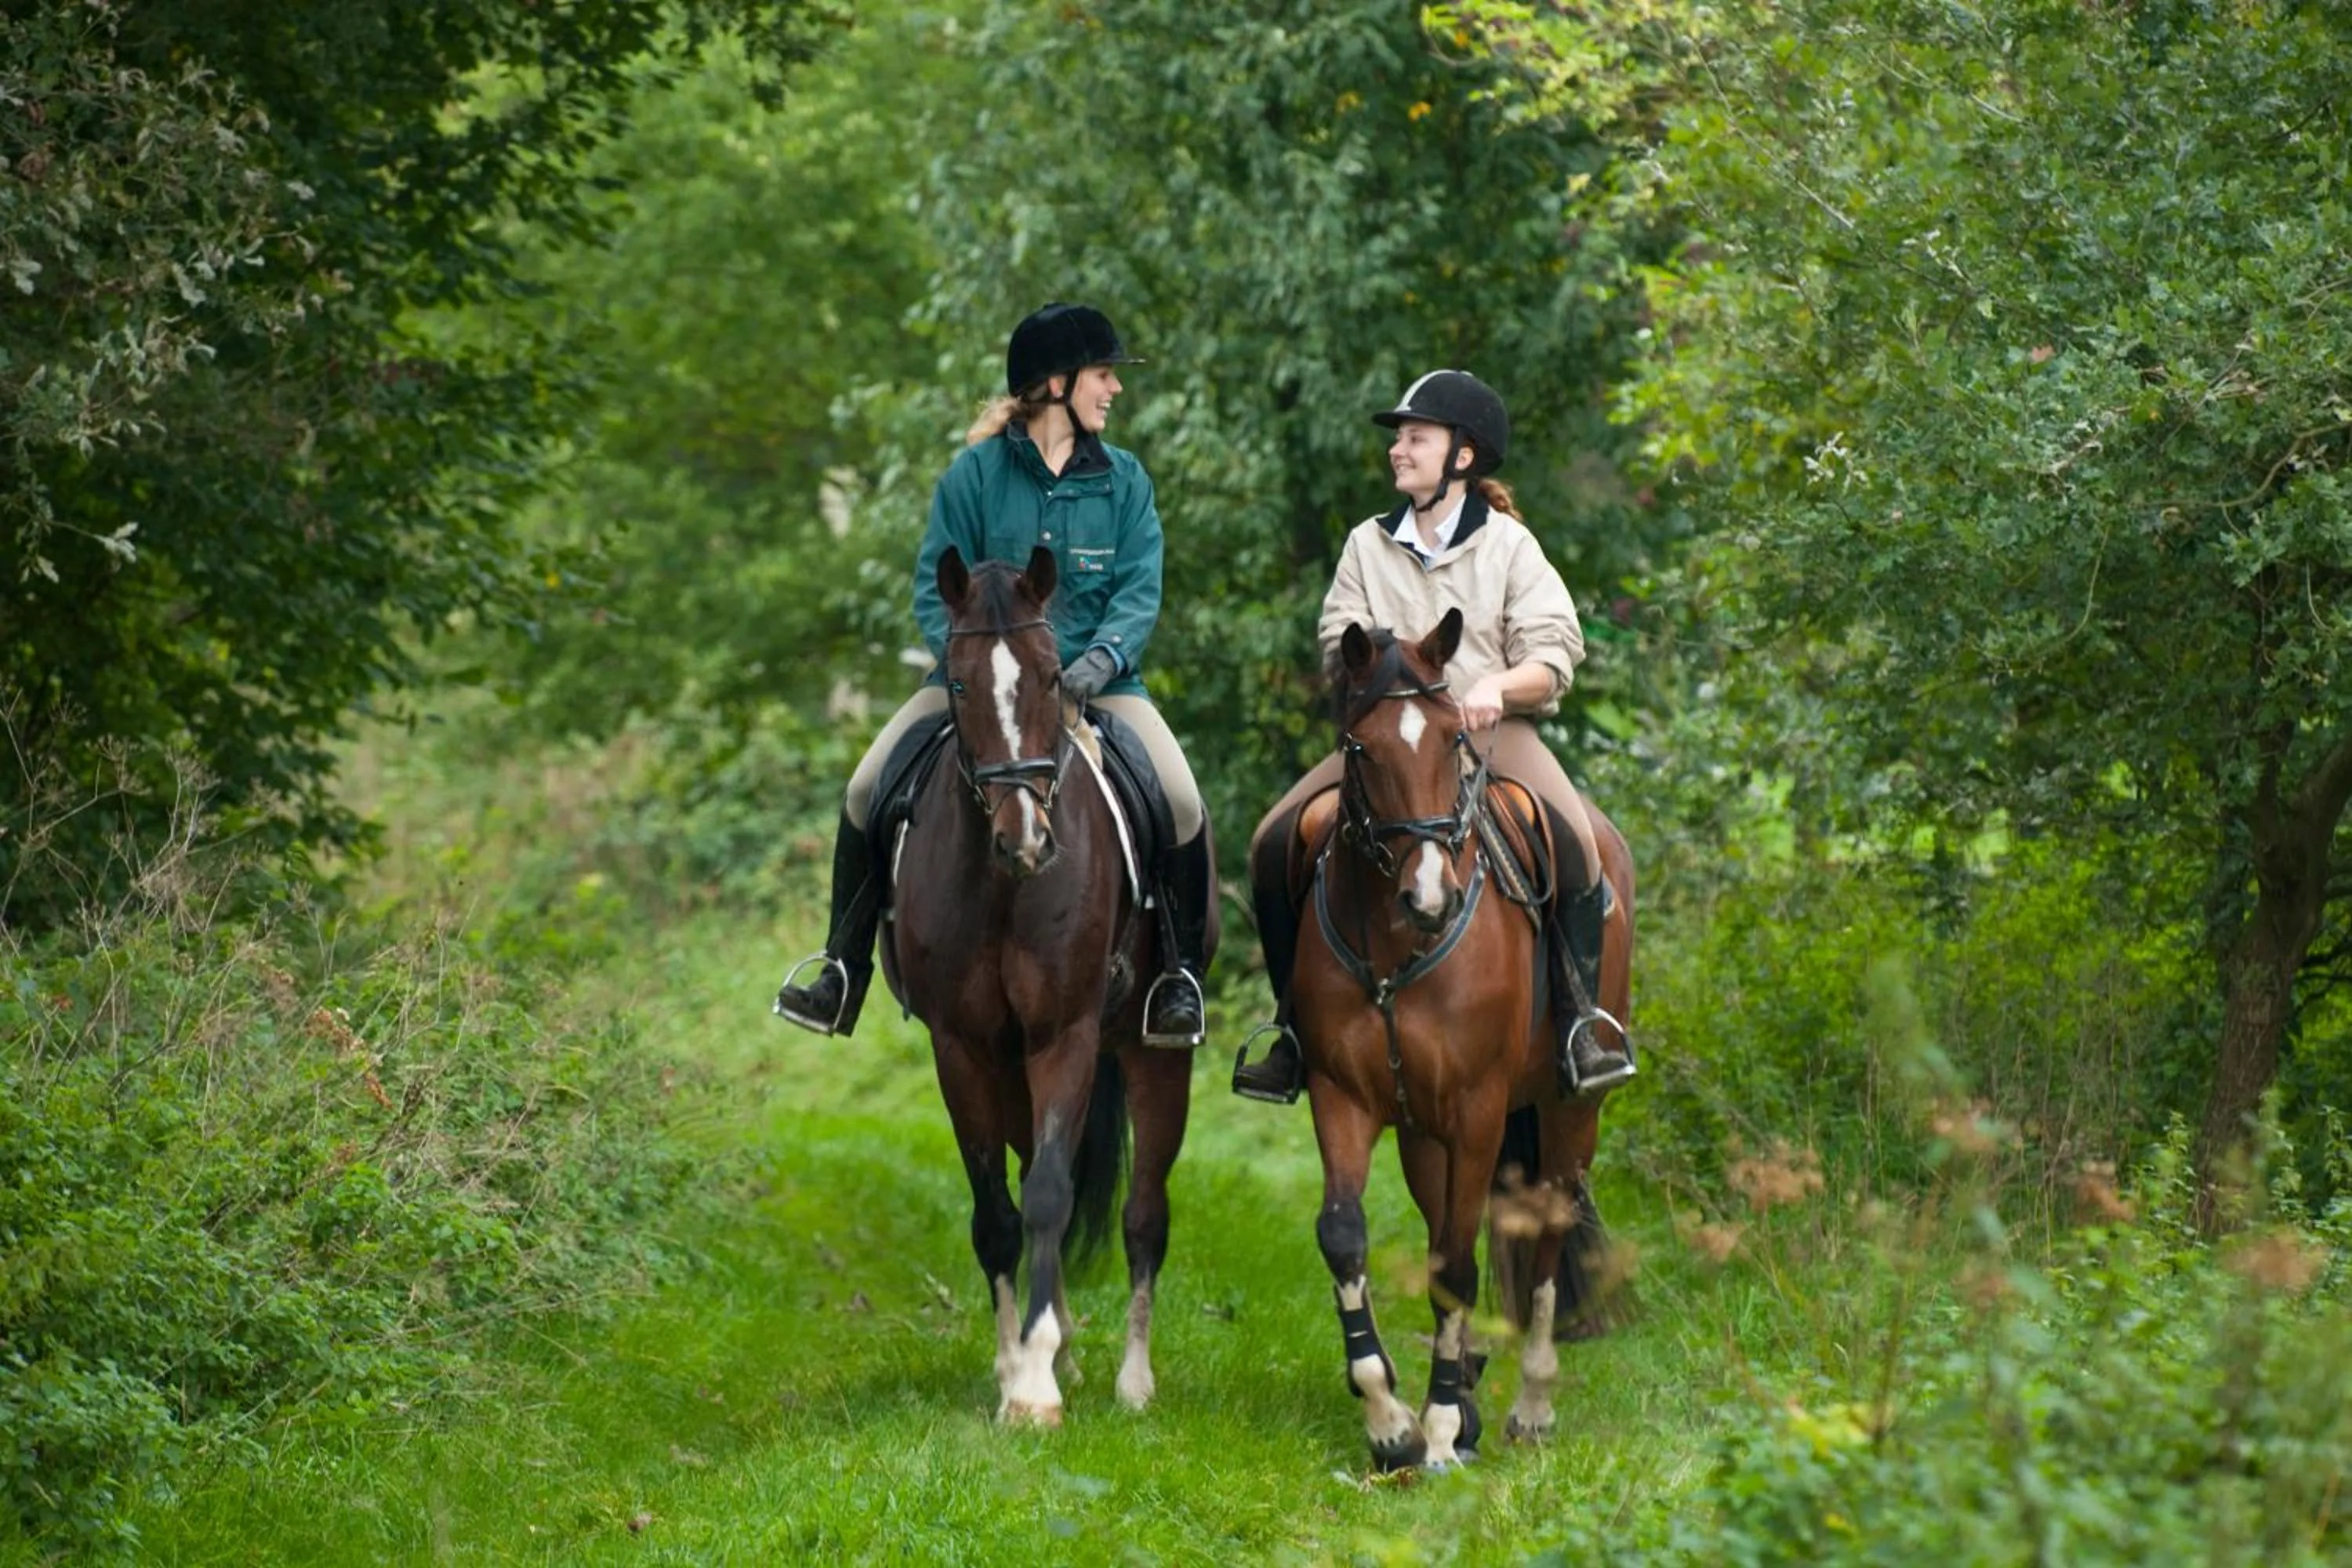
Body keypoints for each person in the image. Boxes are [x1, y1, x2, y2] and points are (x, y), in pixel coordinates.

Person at [774, 303, 1214, 1047]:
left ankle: (1176, 978)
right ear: (1055, 383)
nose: (1114, 390)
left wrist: (1097, 662)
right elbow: (932, 587)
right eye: (1103, 375)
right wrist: (974, 675)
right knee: (862, 789)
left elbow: (1140, 591)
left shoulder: (1126, 483)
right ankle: (841, 971)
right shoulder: (972, 477)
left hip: (1098, 684)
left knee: (1180, 798)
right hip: (983, 689)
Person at [1230, 368, 1634, 1102]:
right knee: (1270, 839)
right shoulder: (1367, 544)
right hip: (1389, 747)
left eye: (1416, 437)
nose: (1399, 450)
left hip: (1490, 736)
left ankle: (1580, 1027)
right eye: (1398, 439)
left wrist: (1494, 687)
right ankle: (1291, 1029)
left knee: (1579, 844)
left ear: (1463, 456)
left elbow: (1554, 654)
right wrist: (1385, 681)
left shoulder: (1510, 547)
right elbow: (1335, 643)